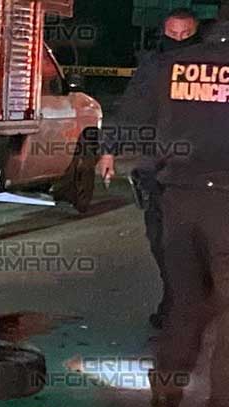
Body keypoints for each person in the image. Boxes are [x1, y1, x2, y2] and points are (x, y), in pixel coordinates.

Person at [100, 4, 229, 407]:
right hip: (225, 203)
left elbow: (132, 112)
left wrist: (110, 150)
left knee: (184, 307)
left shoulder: (167, 65)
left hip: (177, 200)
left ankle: (166, 404)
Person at [108, 9, 201, 330]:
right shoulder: (153, 66)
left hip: (200, 173)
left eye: (185, 35)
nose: (178, 41)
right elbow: (131, 108)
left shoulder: (209, 68)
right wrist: (109, 150)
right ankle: (175, 301)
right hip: (158, 170)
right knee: (161, 241)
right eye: (173, 35)